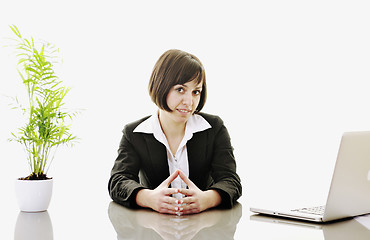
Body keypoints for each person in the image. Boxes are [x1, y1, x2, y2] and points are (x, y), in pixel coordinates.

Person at [108, 49, 242, 215]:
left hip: (205, 226)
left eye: (196, 92)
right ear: (161, 86)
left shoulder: (214, 128)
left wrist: (207, 199)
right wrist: (148, 198)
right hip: (153, 227)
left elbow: (231, 180)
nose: (189, 101)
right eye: (180, 89)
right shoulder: (134, 133)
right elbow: (118, 181)